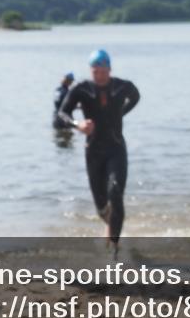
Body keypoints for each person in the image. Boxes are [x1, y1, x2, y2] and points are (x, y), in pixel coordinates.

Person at [57, 50, 140, 251]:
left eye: (103, 71)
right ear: (91, 71)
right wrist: (78, 124)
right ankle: (110, 226)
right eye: (95, 71)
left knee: (115, 191)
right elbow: (63, 112)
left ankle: (114, 246)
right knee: (102, 207)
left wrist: (121, 113)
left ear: (109, 69)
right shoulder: (82, 89)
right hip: (93, 151)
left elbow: (136, 97)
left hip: (116, 148)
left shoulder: (122, 86)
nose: (99, 75)